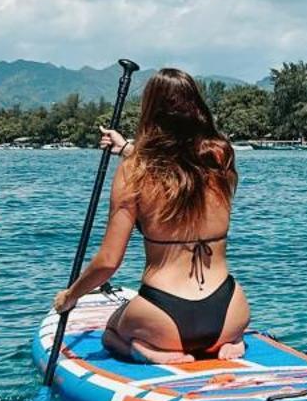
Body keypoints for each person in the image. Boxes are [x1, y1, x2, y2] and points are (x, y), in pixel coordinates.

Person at [51, 68, 250, 364]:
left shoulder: (133, 173)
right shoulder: (221, 158)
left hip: (164, 317)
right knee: (225, 333)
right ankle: (230, 345)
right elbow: (182, 166)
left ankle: (152, 350)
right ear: (197, 108)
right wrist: (126, 149)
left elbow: (107, 263)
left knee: (111, 333)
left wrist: (70, 296)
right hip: (230, 311)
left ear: (151, 111)